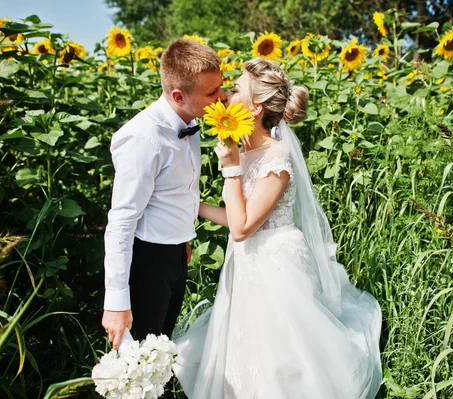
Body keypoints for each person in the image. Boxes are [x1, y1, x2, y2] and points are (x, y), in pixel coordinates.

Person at [173, 58, 382, 398]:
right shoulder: (244, 150)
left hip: (275, 265)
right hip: (246, 261)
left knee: (283, 356)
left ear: (254, 108)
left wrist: (230, 169)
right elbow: (238, 217)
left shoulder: (277, 158)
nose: (225, 94)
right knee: (246, 349)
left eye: (235, 89)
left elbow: (241, 228)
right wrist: (191, 206)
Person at [101, 38, 227, 350]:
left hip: (177, 254)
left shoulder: (191, 122)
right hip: (146, 261)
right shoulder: (143, 138)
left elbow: (176, 193)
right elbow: (122, 220)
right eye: (212, 93)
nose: (222, 97)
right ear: (178, 95)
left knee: (161, 348)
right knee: (137, 361)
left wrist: (182, 239)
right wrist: (116, 301)